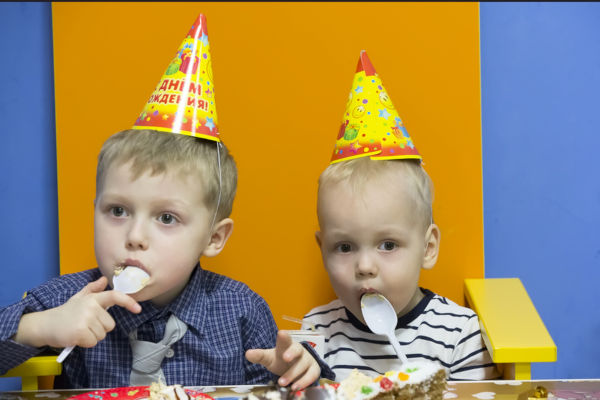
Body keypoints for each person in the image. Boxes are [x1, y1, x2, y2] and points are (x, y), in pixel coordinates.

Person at [0, 14, 330, 390]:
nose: (135, 235)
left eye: (167, 218)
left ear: (214, 238)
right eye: (118, 211)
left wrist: (299, 373)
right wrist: (39, 326)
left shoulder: (242, 310)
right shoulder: (69, 298)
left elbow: (286, 385)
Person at [301, 51, 501, 381]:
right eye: (345, 247)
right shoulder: (316, 333)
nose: (364, 266)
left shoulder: (459, 336)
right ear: (322, 249)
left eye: (388, 244)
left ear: (428, 247)